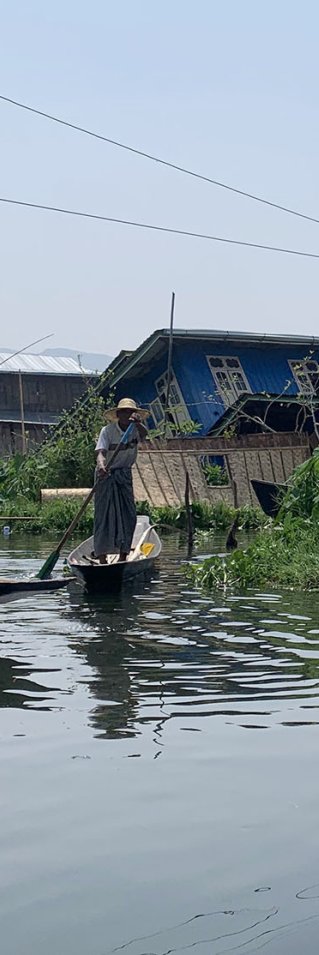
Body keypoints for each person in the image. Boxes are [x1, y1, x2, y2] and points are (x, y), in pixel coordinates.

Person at [94, 398, 148, 563]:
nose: (127, 415)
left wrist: (138, 424)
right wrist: (102, 466)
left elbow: (145, 435)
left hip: (124, 475)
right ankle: (102, 556)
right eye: (123, 412)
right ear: (118, 414)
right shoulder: (108, 431)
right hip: (106, 475)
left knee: (128, 514)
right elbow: (100, 453)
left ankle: (123, 554)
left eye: (130, 412)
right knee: (104, 515)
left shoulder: (135, 429)